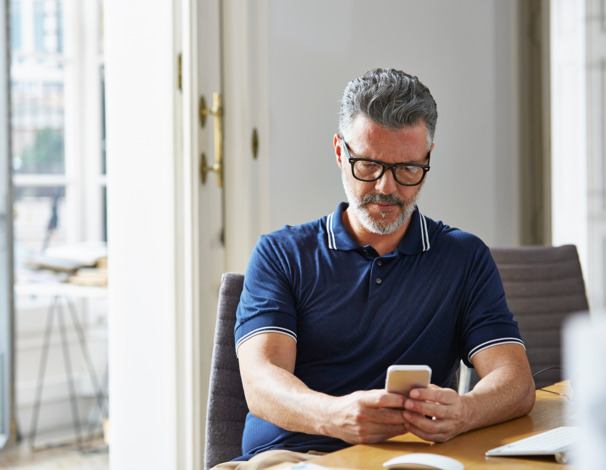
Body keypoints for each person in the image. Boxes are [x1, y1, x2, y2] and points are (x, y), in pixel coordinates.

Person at [212, 68, 535, 470]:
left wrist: (466, 411)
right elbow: (262, 384)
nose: (386, 188)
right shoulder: (281, 254)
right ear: (339, 152)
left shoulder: (463, 258)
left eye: (407, 169)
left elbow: (517, 383)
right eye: (367, 165)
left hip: (410, 460)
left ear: (428, 157)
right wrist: (335, 417)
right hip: (293, 458)